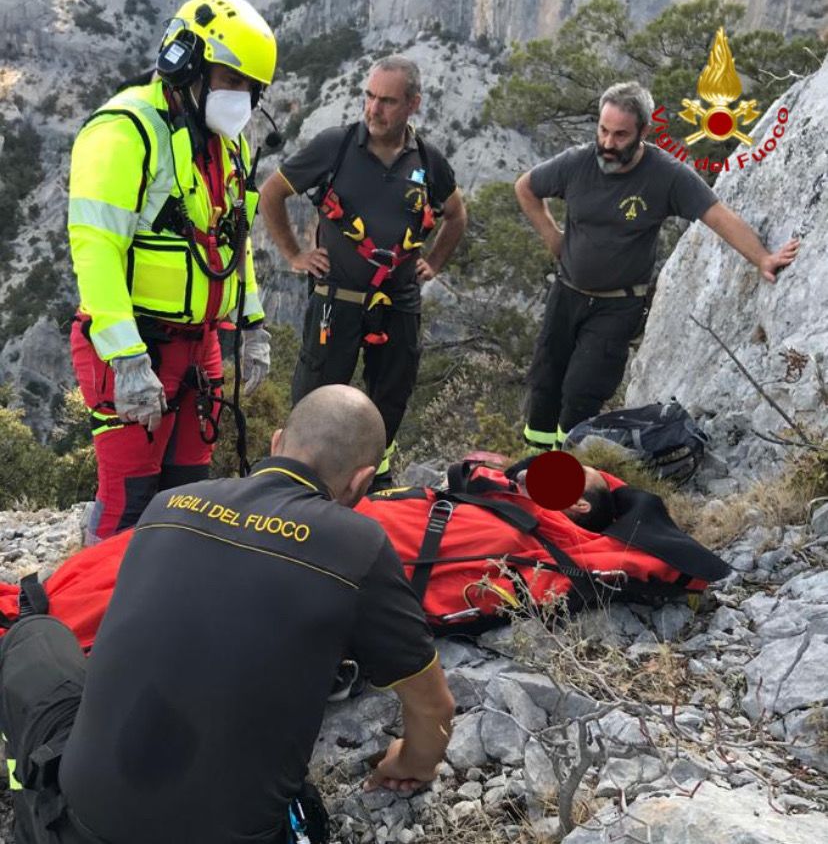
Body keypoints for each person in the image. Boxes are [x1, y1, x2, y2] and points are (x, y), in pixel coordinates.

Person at [0, 385, 455, 843]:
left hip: (76, 827)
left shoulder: (168, 504)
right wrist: (411, 761)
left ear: (276, 442)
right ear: (362, 481)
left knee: (34, 635)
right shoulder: (361, 546)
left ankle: (28, 807)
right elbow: (433, 707)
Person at [69, 0, 277, 545]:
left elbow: (234, 243)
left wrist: (251, 323)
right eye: (230, 77)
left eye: (250, 86)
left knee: (188, 495)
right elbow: (95, 248)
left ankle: (166, 608)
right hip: (139, 344)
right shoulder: (125, 130)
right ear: (187, 60)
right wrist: (127, 358)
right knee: (130, 501)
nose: (241, 96)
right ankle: (96, 621)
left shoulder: (223, 145)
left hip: (200, 344)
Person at [515, 81, 800, 451]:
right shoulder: (577, 162)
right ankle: (531, 467)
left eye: (620, 135)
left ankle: (570, 476)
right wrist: (553, 237)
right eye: (603, 130)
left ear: (643, 133)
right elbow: (525, 187)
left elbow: (716, 215)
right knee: (544, 383)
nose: (607, 142)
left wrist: (762, 257)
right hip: (566, 294)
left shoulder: (666, 176)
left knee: (581, 392)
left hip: (617, 306)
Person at [260, 55, 467, 490]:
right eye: (369, 97)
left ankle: (373, 487)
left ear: (413, 104)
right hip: (337, 305)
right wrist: (295, 254)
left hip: (398, 305)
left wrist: (436, 261)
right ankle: (298, 488)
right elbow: (272, 194)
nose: (374, 109)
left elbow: (455, 215)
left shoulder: (428, 161)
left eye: (388, 101)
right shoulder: (335, 147)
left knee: (389, 400)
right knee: (314, 401)